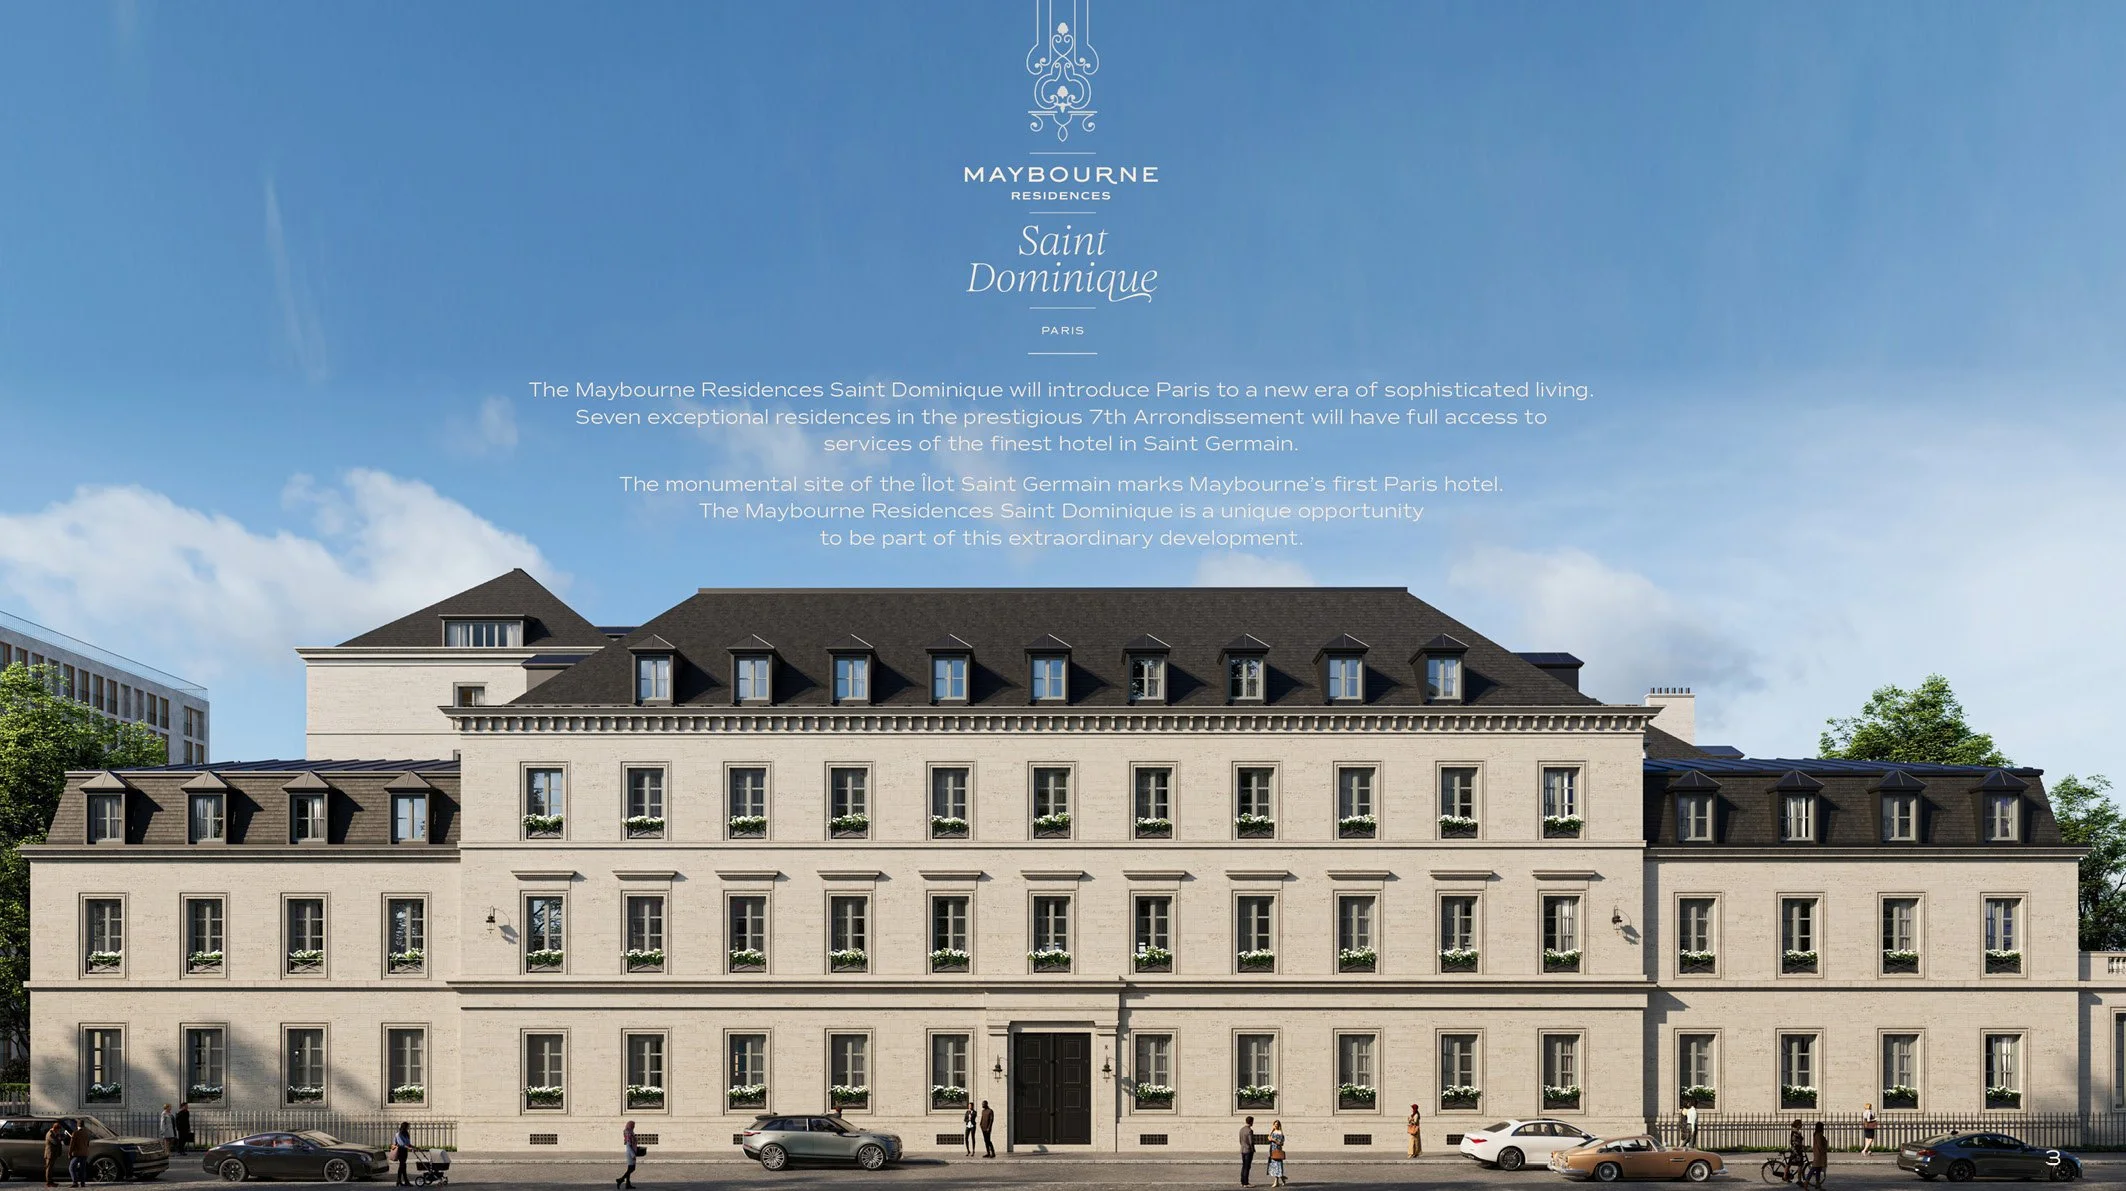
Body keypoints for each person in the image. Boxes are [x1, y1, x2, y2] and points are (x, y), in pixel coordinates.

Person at [66, 1121, 91, 1188]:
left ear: (77, 1126)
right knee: (82, 1169)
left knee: (71, 1168)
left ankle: (75, 1182)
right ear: (83, 1126)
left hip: (77, 1154)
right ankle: (83, 1183)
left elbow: (72, 1145)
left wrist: (69, 1153)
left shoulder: (75, 1133)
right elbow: (88, 1144)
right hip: (85, 1153)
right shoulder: (87, 1133)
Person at [1266, 1119, 1288, 1188]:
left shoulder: (1280, 1132)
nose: (1275, 1126)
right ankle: (1282, 1178)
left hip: (1277, 1150)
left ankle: (1276, 1182)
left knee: (1277, 1166)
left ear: (1279, 1125)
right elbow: (1269, 1138)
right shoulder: (1273, 1131)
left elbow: (1281, 1143)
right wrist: (1271, 1130)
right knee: (1274, 1166)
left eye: (1277, 1125)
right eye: (1274, 1124)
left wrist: (1274, 1140)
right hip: (1272, 1150)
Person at [42, 1118, 64, 1187]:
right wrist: (59, 1139)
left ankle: (51, 1181)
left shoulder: (53, 1134)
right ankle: (49, 1182)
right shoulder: (50, 1134)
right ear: (55, 1129)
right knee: (48, 1168)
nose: (58, 1132)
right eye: (58, 1130)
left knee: (51, 1168)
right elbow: (55, 1142)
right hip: (50, 1154)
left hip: (53, 1154)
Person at [616, 1119, 637, 1189]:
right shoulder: (628, 1132)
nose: (634, 1126)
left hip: (631, 1152)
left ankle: (628, 1184)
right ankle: (620, 1180)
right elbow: (628, 1145)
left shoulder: (630, 1131)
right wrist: (633, 1155)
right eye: (633, 1125)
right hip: (630, 1153)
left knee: (630, 1168)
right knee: (632, 1168)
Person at [392, 1121, 413, 1186]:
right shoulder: (399, 1134)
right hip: (400, 1151)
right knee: (402, 1165)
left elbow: (408, 1143)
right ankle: (404, 1181)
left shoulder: (406, 1134)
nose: (408, 1128)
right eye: (407, 1126)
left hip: (405, 1151)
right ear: (404, 1127)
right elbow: (402, 1144)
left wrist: (413, 1147)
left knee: (403, 1166)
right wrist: (410, 1148)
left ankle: (400, 1181)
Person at [1810, 1121, 1829, 1190]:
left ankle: (1818, 1184)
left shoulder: (1818, 1134)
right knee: (1814, 1169)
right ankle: (1806, 1183)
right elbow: (1820, 1145)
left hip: (1820, 1155)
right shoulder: (1818, 1135)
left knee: (1818, 1169)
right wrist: (1824, 1151)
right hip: (1819, 1155)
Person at [1239, 1115, 1257, 1186]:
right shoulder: (1250, 1130)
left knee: (1244, 1166)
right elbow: (1251, 1142)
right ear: (1251, 1122)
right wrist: (1253, 1149)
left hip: (1242, 1149)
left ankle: (1242, 1182)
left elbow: (1240, 1140)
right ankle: (1246, 1183)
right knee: (1247, 1167)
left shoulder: (1241, 1129)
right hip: (1248, 1151)